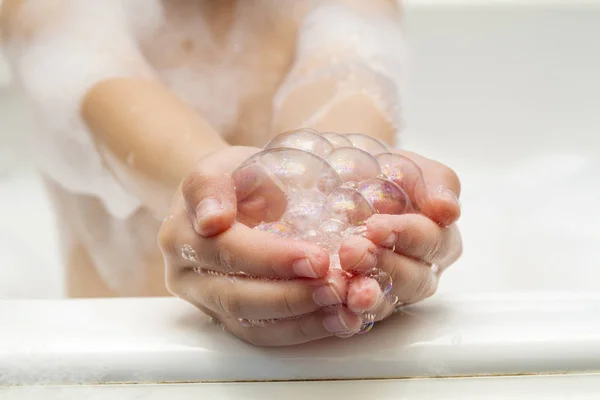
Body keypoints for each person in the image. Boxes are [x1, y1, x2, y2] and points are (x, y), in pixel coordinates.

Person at [0, 0, 462, 345]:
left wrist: (359, 208)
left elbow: (346, 84)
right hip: (123, 359)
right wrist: (214, 198)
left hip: (326, 361)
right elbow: (110, 99)